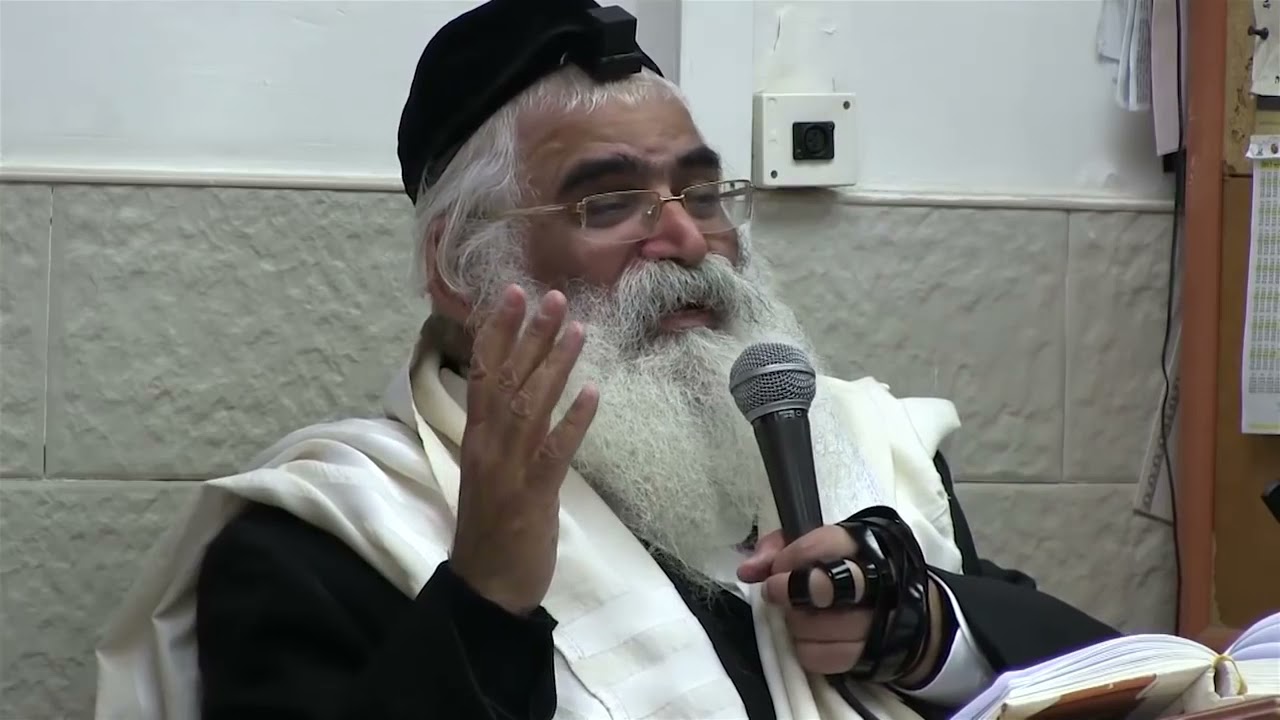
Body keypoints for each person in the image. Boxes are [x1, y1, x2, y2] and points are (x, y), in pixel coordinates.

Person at [92, 1, 1120, 718]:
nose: (686, 238)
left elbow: (1086, 673)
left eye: (703, 194)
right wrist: (484, 596)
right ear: (460, 266)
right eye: (608, 203)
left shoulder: (865, 452)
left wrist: (921, 632)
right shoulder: (323, 541)